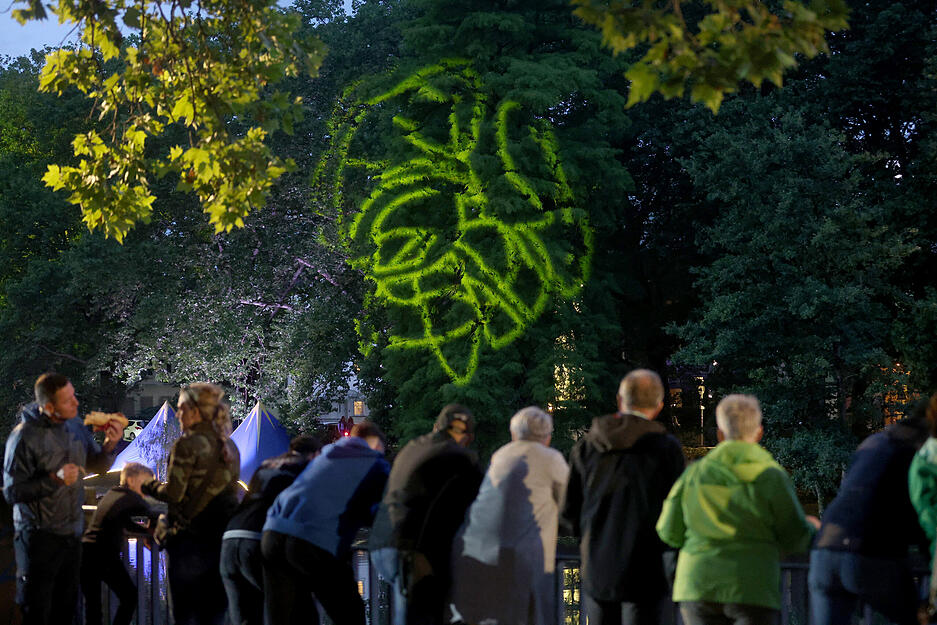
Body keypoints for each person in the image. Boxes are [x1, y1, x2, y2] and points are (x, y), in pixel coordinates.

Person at [656, 394, 818, 625]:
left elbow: (668, 530)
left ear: (720, 434)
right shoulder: (771, 476)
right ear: (759, 433)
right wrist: (812, 527)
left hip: (698, 585)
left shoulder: (695, 474)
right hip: (753, 586)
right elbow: (794, 537)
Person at [561, 368, 685, 625]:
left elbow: (569, 513)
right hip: (649, 571)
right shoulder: (667, 450)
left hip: (599, 569)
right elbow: (678, 515)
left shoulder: (588, 447)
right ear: (659, 406)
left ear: (620, 400)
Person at [3, 372, 124, 625]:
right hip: (37, 538)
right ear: (49, 407)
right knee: (37, 611)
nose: (76, 403)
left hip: (72, 535)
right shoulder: (23, 437)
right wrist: (55, 479)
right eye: (68, 400)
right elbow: (12, 493)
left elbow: (97, 465)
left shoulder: (76, 427)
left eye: (74, 396)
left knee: (68, 611)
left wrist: (110, 445)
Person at [808, 398, 928, 625]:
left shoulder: (876, 441)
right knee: (917, 618)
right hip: (871, 550)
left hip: (824, 549)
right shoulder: (921, 450)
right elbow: (923, 510)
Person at [449, 406, 569, 625]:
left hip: (480, 556)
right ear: (547, 437)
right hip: (525, 561)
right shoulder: (551, 458)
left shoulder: (500, 455)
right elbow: (569, 504)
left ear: (514, 434)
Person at [262, 420, 390, 625]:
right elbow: (385, 512)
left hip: (272, 533)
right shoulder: (373, 461)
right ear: (375, 444)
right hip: (311, 540)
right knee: (349, 611)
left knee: (293, 616)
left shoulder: (324, 457)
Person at [370, 403, 483, 625]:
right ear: (468, 437)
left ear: (435, 427)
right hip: (412, 551)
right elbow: (485, 505)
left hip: (381, 545)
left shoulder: (412, 447)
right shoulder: (461, 458)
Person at [141, 382, 240, 625]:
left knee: (186, 616)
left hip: (190, 543)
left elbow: (175, 494)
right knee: (216, 615)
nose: (178, 414)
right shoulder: (229, 446)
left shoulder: (187, 444)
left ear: (195, 411)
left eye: (181, 408)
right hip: (221, 540)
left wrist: (148, 485)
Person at [221, 434, 322, 625]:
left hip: (230, 539)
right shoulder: (307, 469)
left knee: (244, 617)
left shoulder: (267, 465)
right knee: (296, 610)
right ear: (314, 455)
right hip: (259, 541)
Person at [81, 462, 158, 625]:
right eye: (146, 483)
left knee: (93, 608)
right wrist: (154, 528)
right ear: (131, 481)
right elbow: (146, 518)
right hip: (103, 554)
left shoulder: (113, 494)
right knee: (129, 597)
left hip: (86, 551)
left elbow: (130, 518)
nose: (148, 489)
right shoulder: (130, 498)